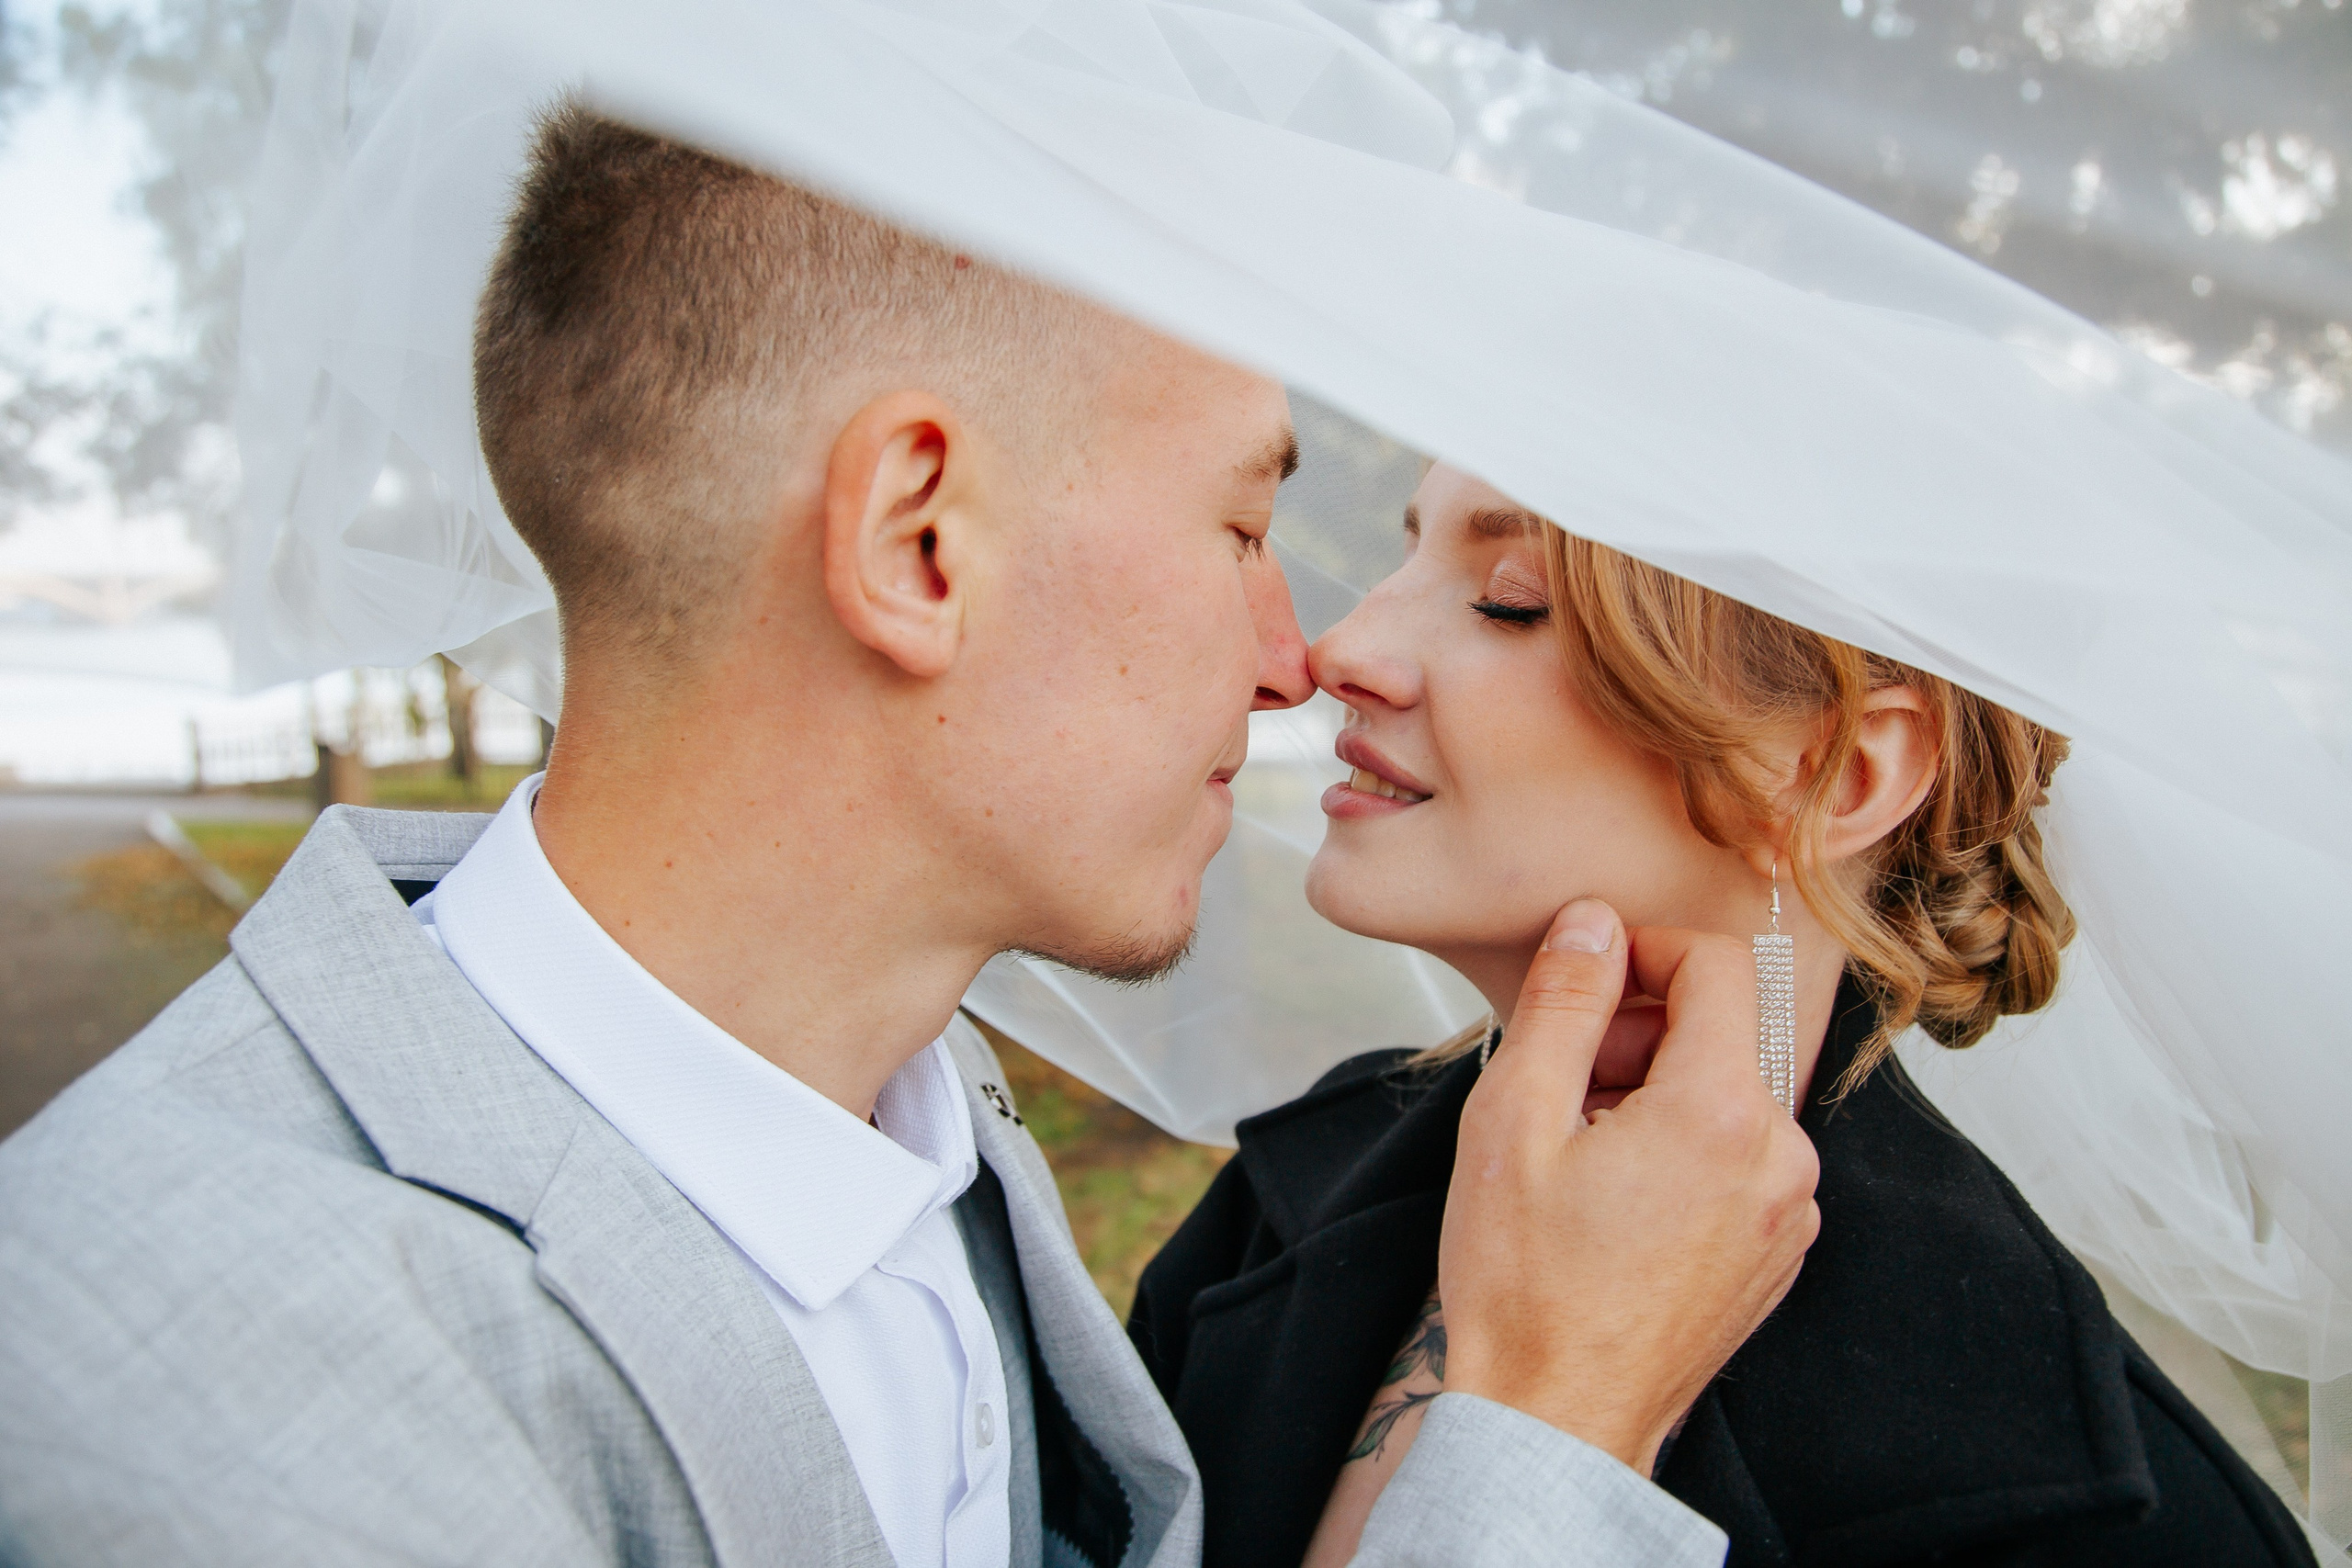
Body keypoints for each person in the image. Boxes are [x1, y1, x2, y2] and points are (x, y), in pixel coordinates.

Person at [0, 113, 1819, 1565]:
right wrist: (1544, 1422)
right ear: (917, 541)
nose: (1295, 661)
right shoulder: (199, 1386)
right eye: (1239, 526)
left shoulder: (916, 1135)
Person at [1130, 465, 2319, 1568]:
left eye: (1510, 601)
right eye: (1407, 559)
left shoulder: (2105, 1520)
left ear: (1838, 771)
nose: (1346, 647)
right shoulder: (1274, 1204)